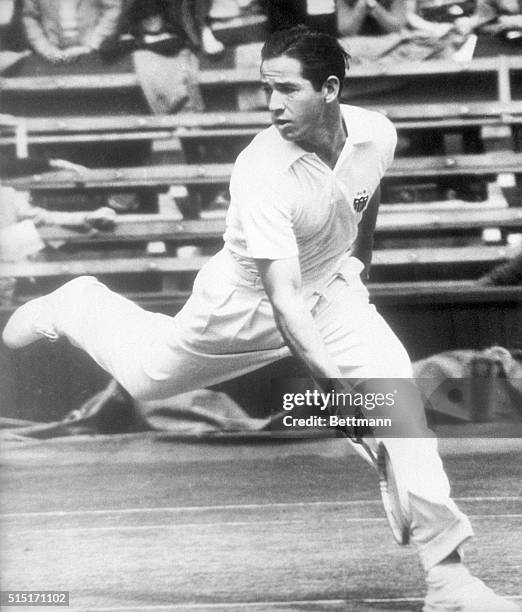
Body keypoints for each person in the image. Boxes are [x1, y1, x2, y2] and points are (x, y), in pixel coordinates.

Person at [2, 26, 519, 612]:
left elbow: (365, 198)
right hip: (239, 310)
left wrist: (358, 267)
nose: (272, 104)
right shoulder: (261, 170)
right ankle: (75, 302)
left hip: (333, 296)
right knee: (147, 376)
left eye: (287, 89)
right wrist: (340, 395)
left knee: (403, 417)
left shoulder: (376, 134)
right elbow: (282, 299)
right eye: (265, 88)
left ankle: (448, 582)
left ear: (329, 89)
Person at [22, 0, 122, 65]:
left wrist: (91, 45)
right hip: (52, 55)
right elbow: (29, 16)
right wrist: (44, 48)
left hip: (92, 54)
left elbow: (113, 9)